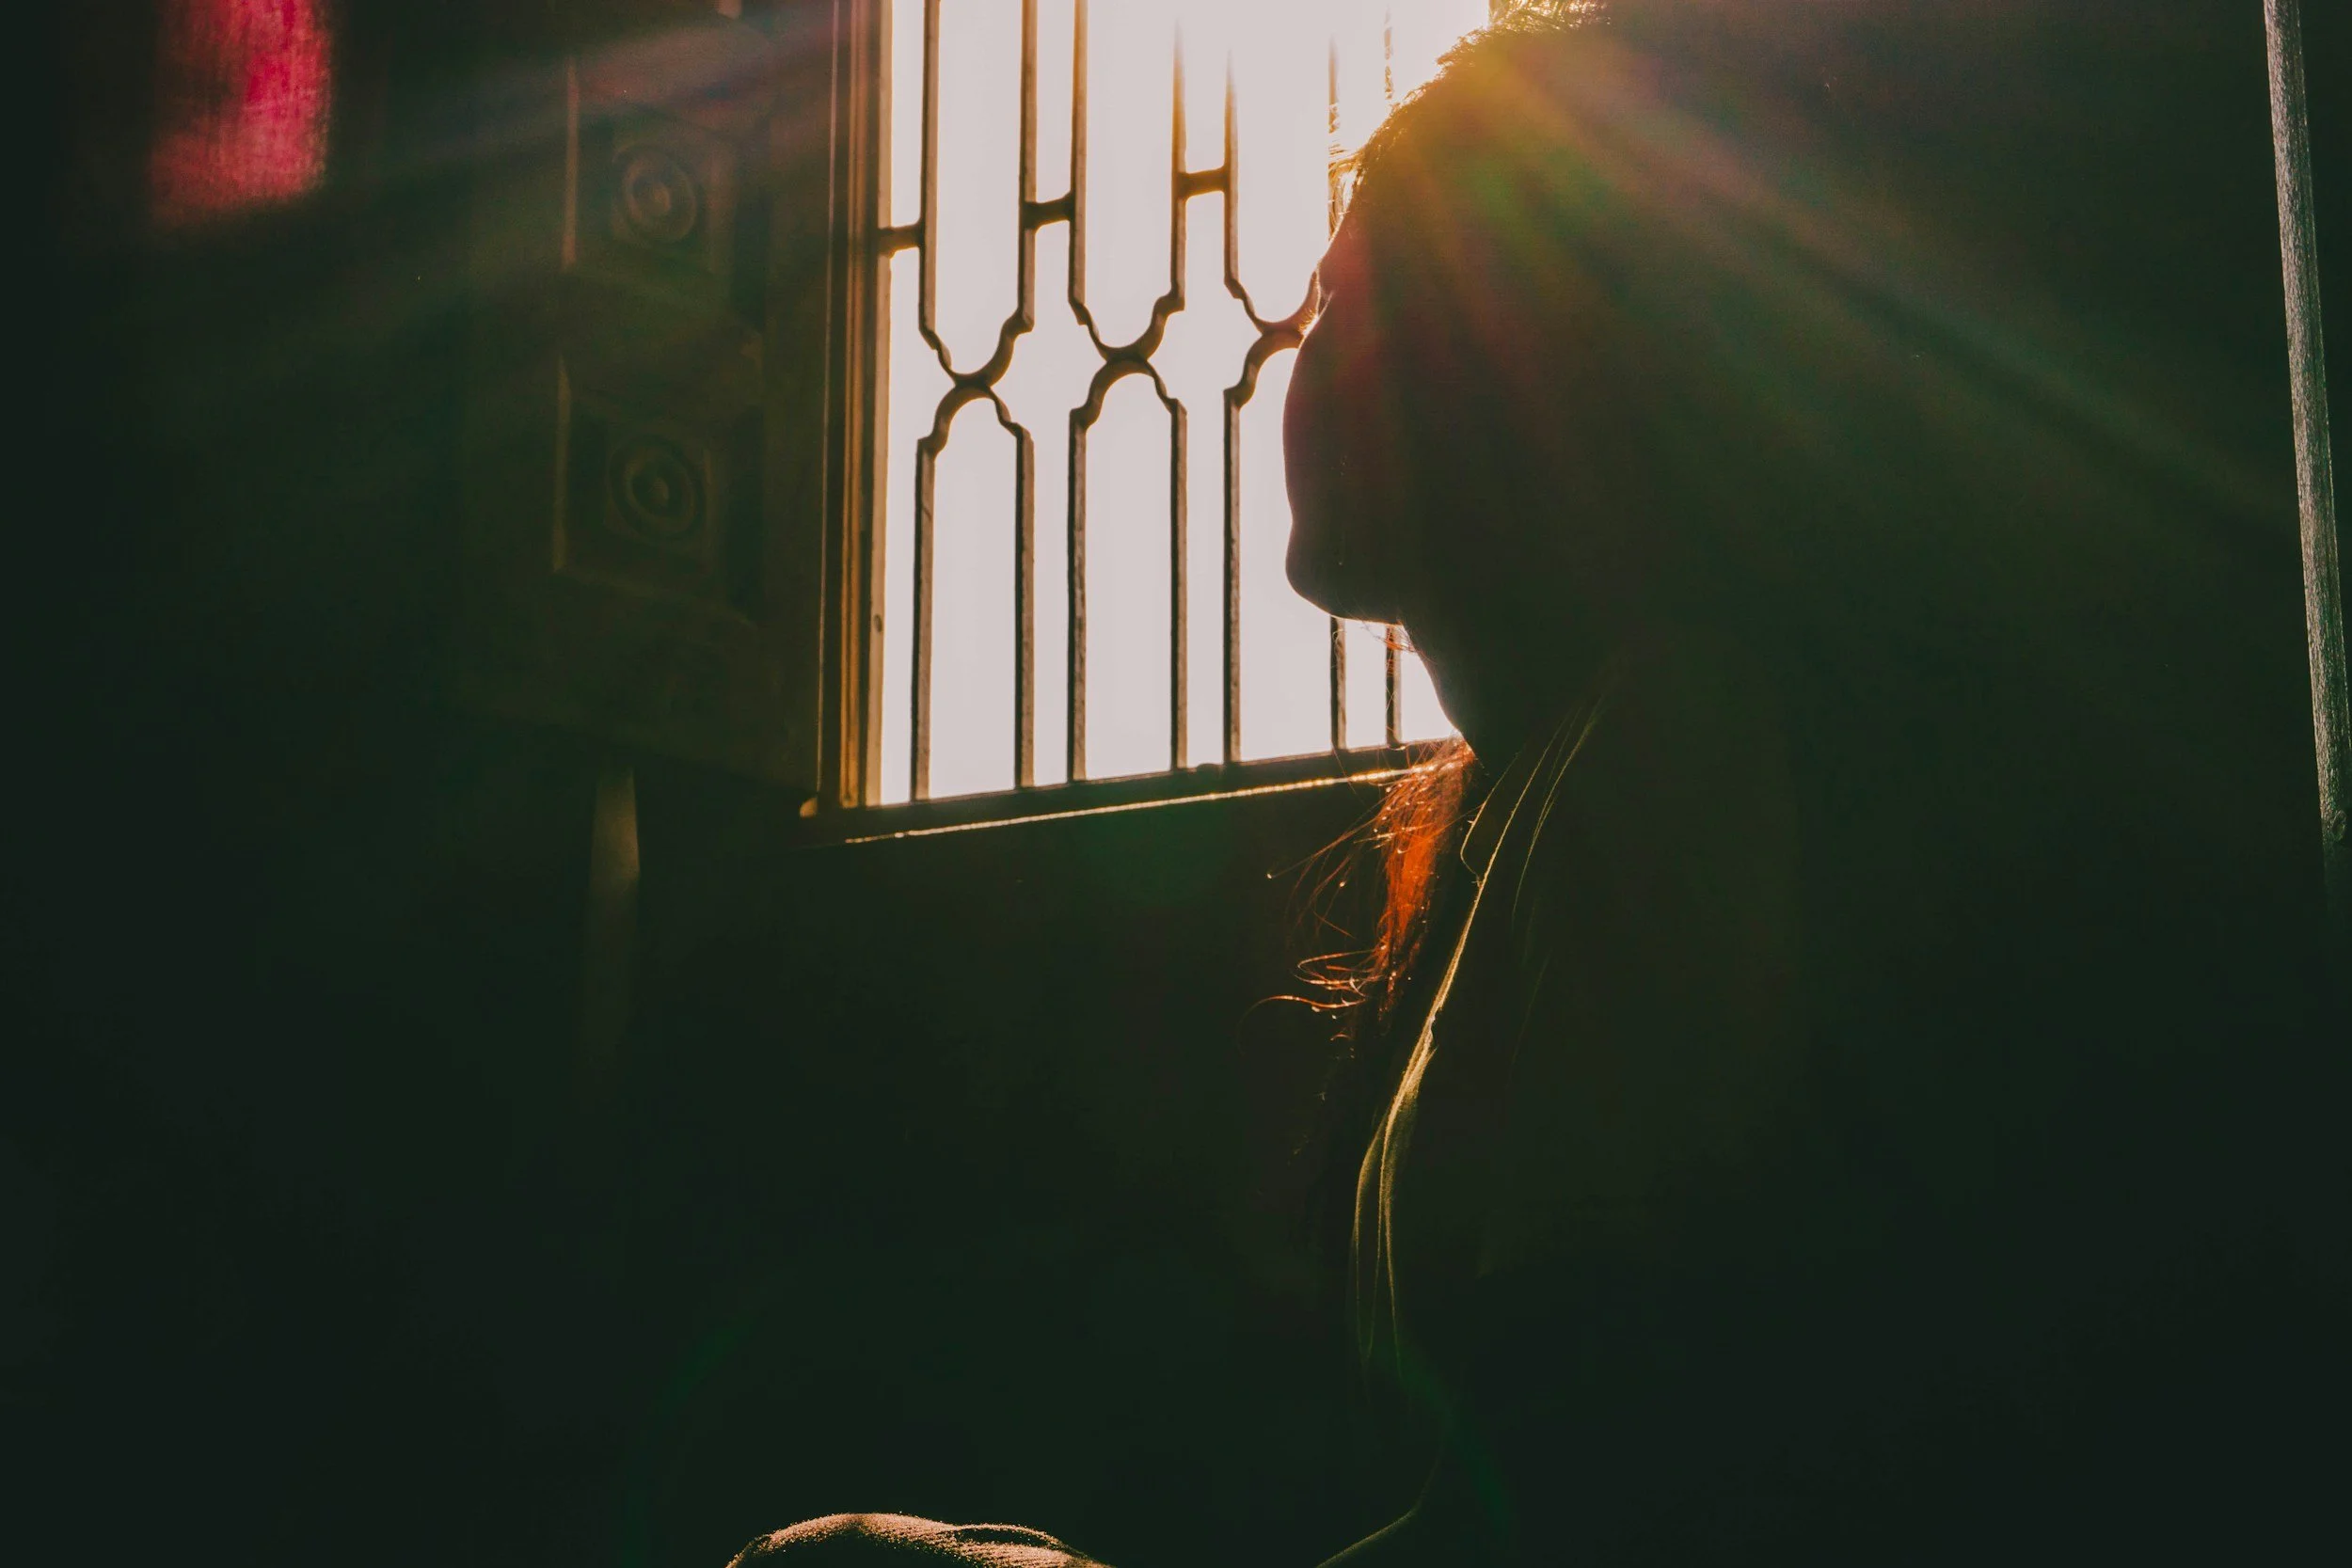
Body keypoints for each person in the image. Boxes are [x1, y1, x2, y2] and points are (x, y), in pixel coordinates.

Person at [736, 3, 2344, 1562]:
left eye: (1348, 306)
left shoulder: (1674, 755)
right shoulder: (1531, 783)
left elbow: (1611, 1479)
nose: (1300, 360)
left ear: (1521, 369)